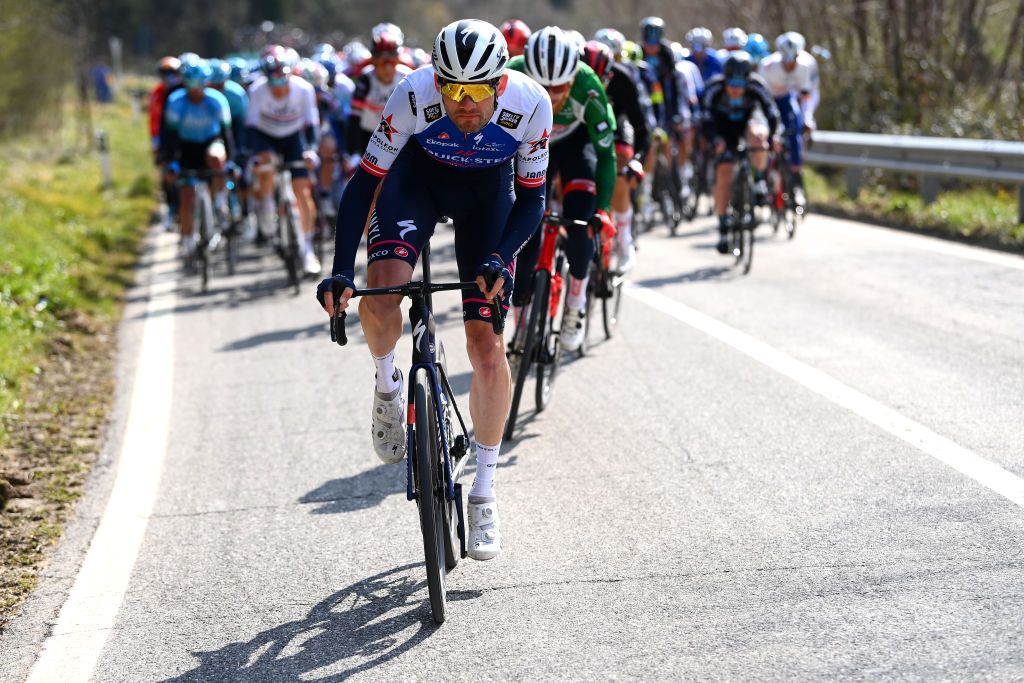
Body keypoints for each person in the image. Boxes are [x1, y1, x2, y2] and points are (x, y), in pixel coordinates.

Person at [316, 19, 552, 561]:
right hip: (416, 183)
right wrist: (339, 269)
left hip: (489, 196)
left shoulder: (532, 105)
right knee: (381, 290)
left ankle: (485, 492)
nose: (464, 103)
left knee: (487, 343)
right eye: (453, 90)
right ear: (437, 83)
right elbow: (364, 184)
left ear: (500, 84)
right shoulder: (411, 96)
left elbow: (534, 198)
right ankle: (387, 389)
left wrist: (500, 255)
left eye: (477, 91)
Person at [509, 26, 617, 351]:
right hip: (531, 142)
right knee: (525, 235)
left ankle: (575, 303)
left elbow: (606, 154)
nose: (553, 96)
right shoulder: (511, 75)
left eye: (561, 87)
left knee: (582, 222)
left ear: (575, 77)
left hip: (574, 145)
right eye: (543, 86)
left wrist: (604, 209)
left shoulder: (589, 85)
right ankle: (520, 321)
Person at [246, 46, 322, 274]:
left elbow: (312, 125)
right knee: (266, 169)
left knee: (303, 190)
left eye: (282, 82)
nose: (278, 88)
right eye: (273, 82)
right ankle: (267, 214)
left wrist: (311, 151)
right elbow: (251, 127)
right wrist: (256, 155)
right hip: (266, 136)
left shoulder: (304, 89)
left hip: (293, 137)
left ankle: (307, 249)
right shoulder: (257, 90)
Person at [702, 52, 780, 253]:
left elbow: (772, 115)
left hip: (748, 123)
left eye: (740, 86)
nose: (736, 90)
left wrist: (774, 137)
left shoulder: (757, 86)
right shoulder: (714, 89)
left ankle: (759, 179)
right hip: (723, 129)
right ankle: (723, 225)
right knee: (724, 171)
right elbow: (705, 119)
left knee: (759, 136)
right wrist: (715, 141)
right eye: (732, 85)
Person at [581, 40, 648, 272]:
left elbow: (641, 129)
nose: (598, 87)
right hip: (583, 126)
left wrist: (637, 160)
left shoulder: (624, 80)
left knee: (620, 171)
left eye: (604, 81)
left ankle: (624, 241)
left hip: (617, 126)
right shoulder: (576, 79)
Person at [160, 59, 234, 259]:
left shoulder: (217, 100)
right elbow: (170, 136)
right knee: (186, 197)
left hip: (211, 142)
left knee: (216, 157)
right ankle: (187, 240)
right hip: (186, 147)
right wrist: (172, 160)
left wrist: (231, 161)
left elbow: (227, 135)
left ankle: (220, 201)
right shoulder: (176, 101)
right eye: (190, 85)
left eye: (199, 85)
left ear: (205, 82)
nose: (195, 90)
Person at [759, 31, 819, 208]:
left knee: (795, 131)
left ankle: (796, 179)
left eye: (793, 61)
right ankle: (762, 180)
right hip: (768, 100)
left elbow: (807, 97)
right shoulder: (768, 66)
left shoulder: (806, 65)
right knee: (766, 136)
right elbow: (760, 98)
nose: (790, 65)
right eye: (786, 61)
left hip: (788, 99)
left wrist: (808, 120)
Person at [346, 27, 413, 160]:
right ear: (374, 62)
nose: (388, 68)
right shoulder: (365, 79)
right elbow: (354, 118)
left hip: (400, 136)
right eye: (383, 62)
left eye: (392, 62)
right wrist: (354, 151)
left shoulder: (408, 77)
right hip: (368, 134)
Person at [150, 56, 183, 230]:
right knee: (167, 175)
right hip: (163, 138)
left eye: (172, 73)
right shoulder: (157, 93)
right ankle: (172, 209)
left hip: (181, 138)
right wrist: (155, 143)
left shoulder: (182, 91)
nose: (168, 76)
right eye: (165, 73)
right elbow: (155, 120)